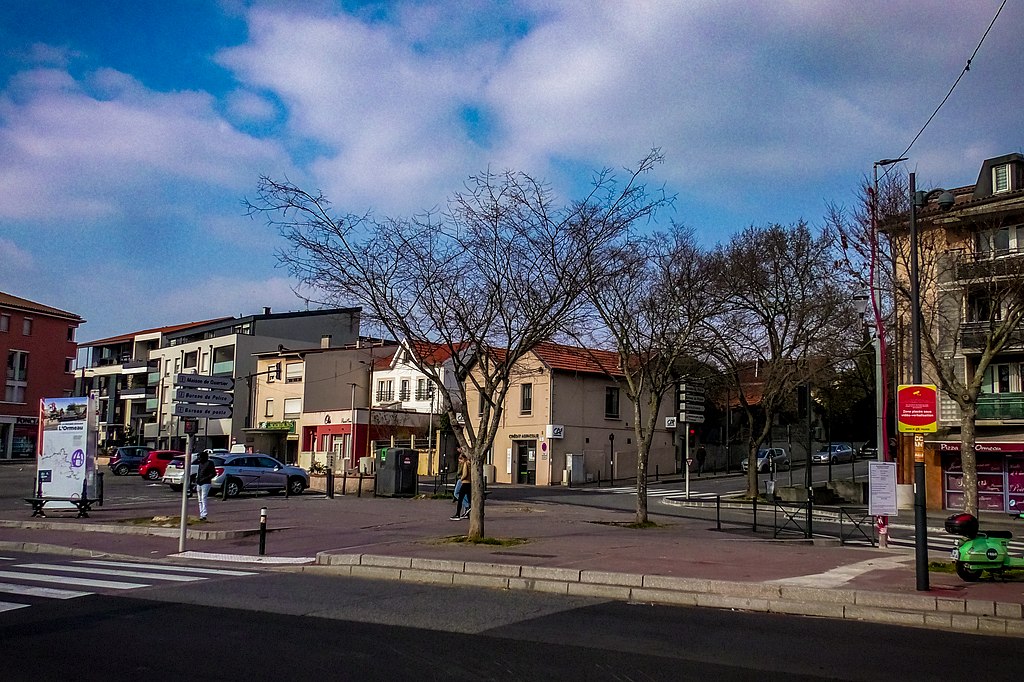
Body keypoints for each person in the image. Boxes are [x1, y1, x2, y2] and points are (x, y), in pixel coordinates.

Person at [195, 450, 217, 521]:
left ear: (204, 457)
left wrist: (205, 478)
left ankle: (204, 513)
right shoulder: (200, 464)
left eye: (200, 458)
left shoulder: (210, 463)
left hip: (206, 483)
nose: (198, 459)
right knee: (199, 500)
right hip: (199, 483)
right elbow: (199, 472)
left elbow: (213, 473)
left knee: (203, 498)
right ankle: (201, 514)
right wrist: (197, 480)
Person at [450, 453, 471, 521]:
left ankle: (458, 514)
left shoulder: (465, 464)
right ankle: (467, 511)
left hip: (465, 482)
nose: (459, 461)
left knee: (460, 497)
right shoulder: (470, 464)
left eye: (461, 459)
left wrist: (461, 478)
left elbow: (465, 474)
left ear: (464, 458)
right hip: (469, 483)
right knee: (468, 497)